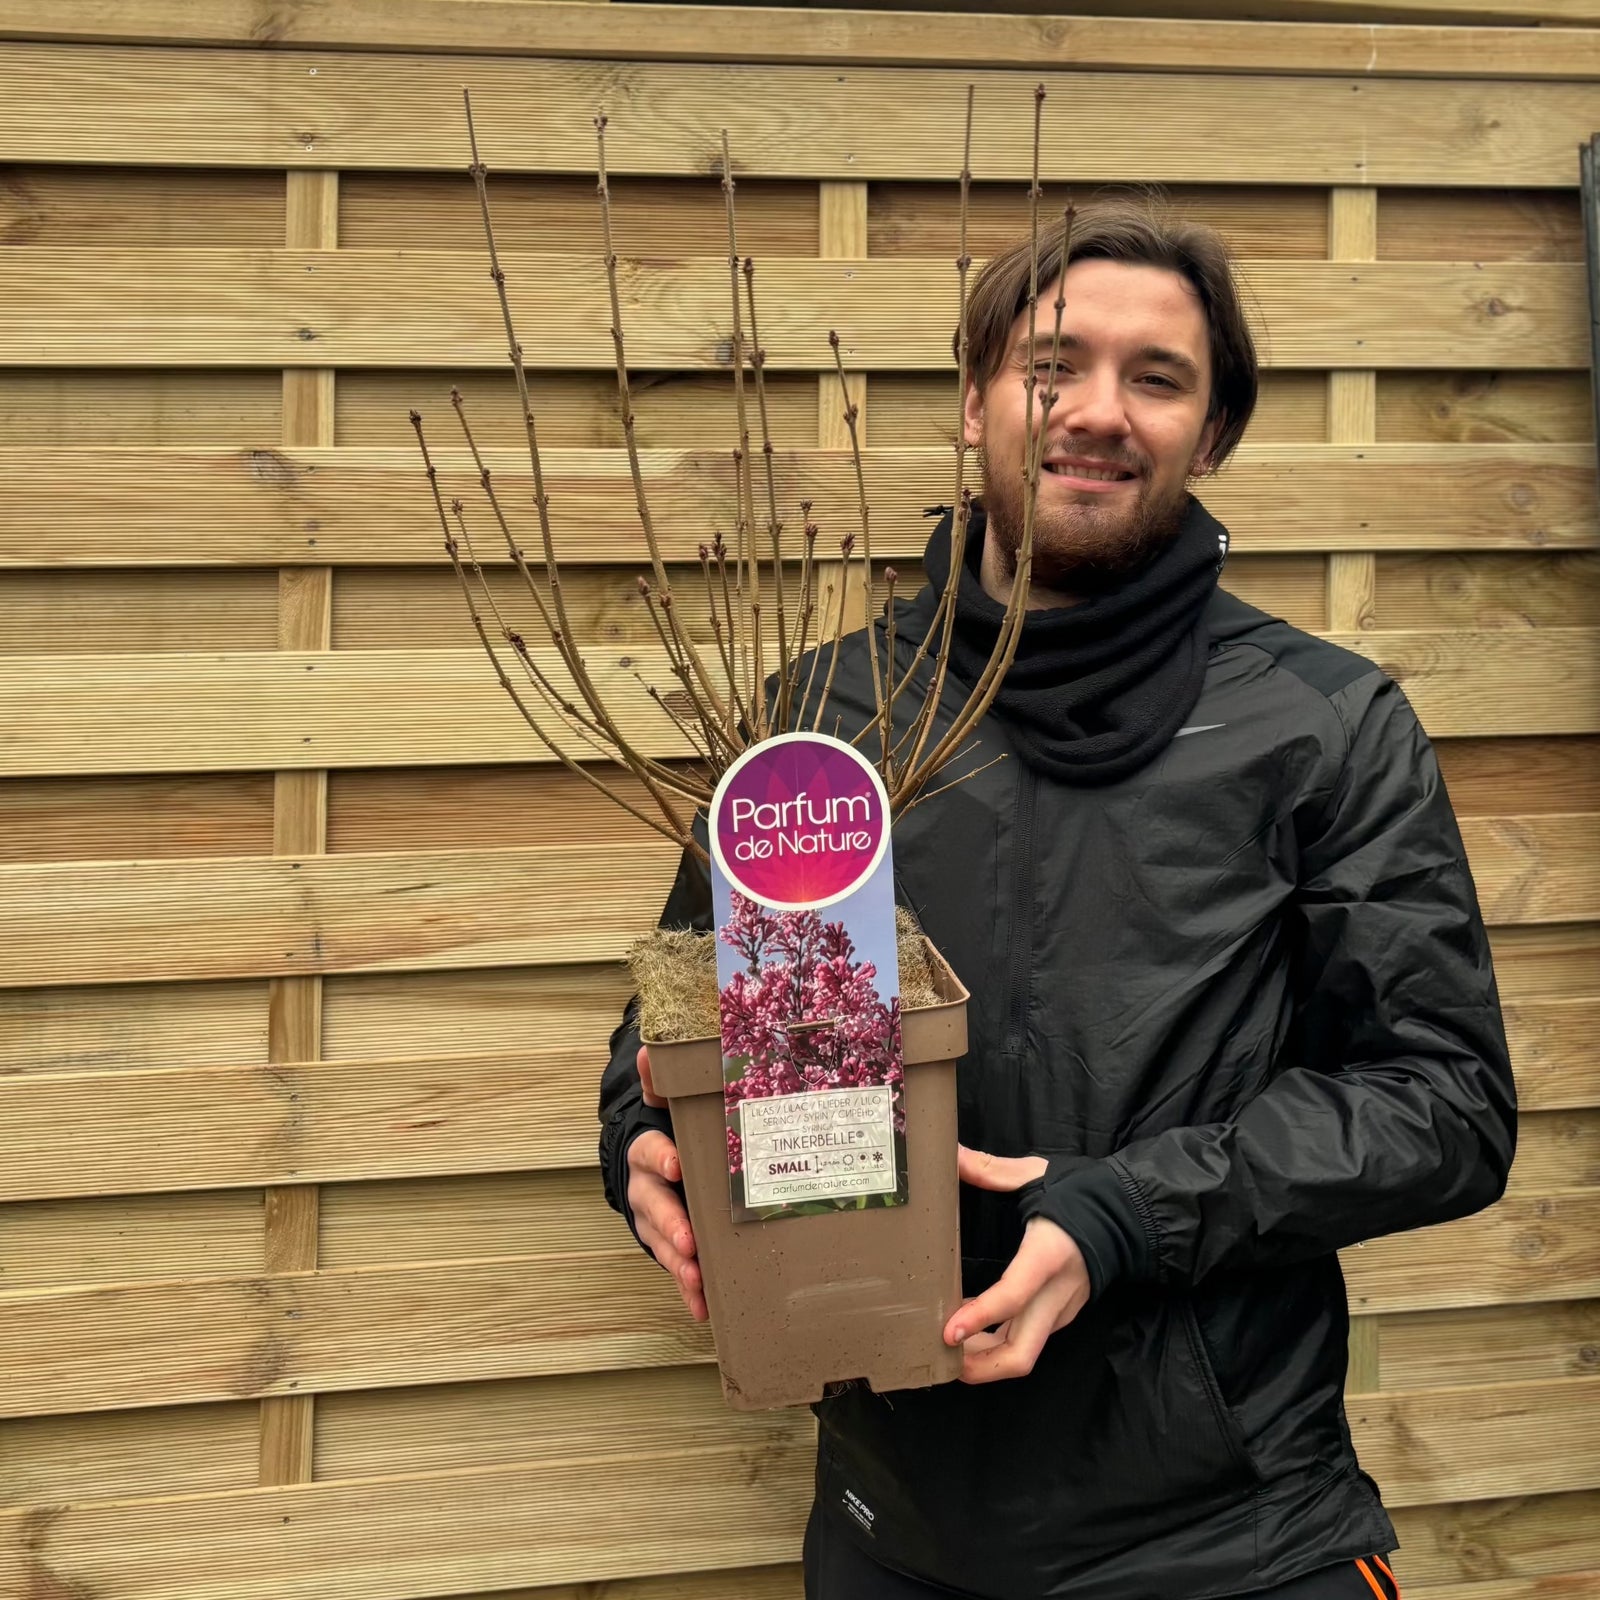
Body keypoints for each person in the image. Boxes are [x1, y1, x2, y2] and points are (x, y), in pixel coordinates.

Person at [598, 203, 1516, 1600]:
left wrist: (1129, 1216)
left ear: (1212, 435)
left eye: (1158, 377)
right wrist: (646, 1139)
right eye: (1052, 365)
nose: (1097, 410)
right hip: (892, 1530)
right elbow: (683, 1017)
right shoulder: (824, 722)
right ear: (975, 405)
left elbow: (1444, 1104)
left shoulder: (1321, 725)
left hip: (1229, 1546)